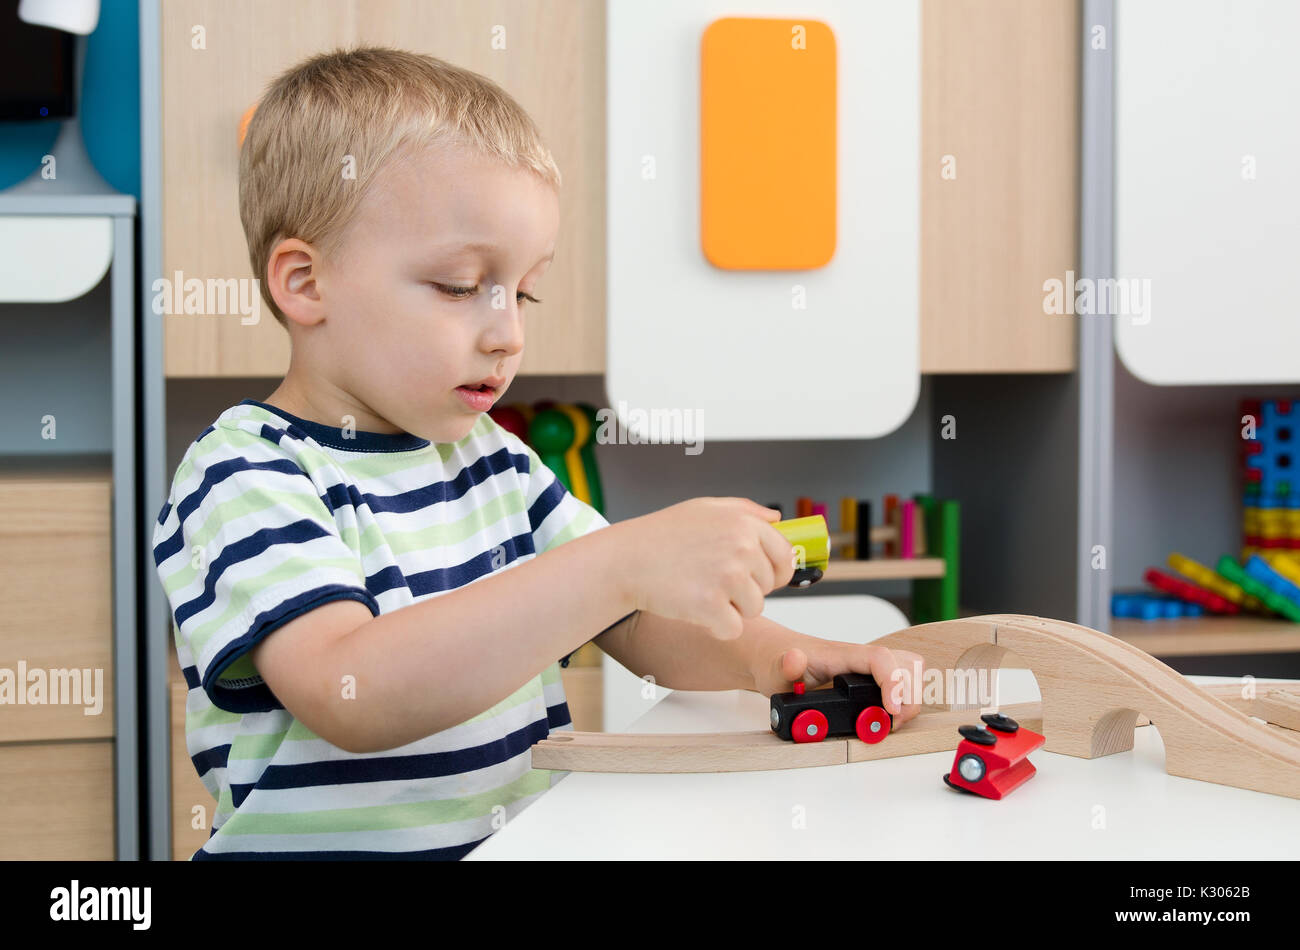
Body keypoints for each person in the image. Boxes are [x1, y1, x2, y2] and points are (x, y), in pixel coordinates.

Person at [152, 47, 924, 860]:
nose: (508, 332)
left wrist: (786, 660)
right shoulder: (245, 474)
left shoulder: (494, 460)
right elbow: (354, 691)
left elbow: (634, 619)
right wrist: (616, 563)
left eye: (524, 291)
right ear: (306, 284)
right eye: (458, 286)